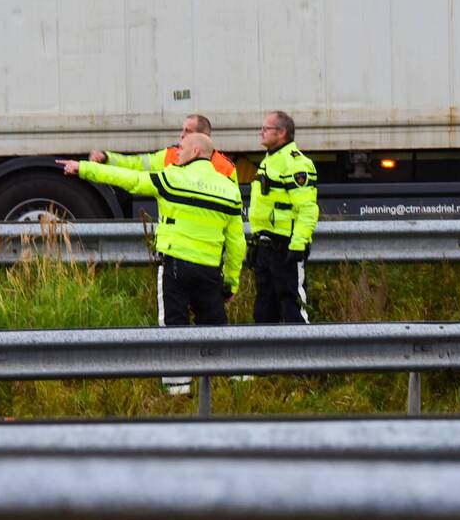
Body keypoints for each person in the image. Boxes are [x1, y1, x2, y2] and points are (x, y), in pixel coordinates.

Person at [57, 133, 245, 395]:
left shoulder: (171, 178)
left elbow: (130, 180)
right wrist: (231, 282)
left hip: (176, 267)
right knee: (216, 328)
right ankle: (234, 387)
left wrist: (84, 169)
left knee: (174, 327)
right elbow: (237, 243)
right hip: (210, 270)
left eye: (181, 148)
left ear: (195, 152)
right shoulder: (229, 189)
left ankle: (178, 391)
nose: (177, 152)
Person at [247, 110, 318, 323]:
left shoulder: (295, 163)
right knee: (264, 311)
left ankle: (301, 344)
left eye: (266, 128)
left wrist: (298, 245)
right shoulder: (271, 160)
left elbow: (307, 209)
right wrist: (255, 241)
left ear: (281, 133)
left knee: (293, 307)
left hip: (286, 247)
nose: (261, 132)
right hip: (265, 246)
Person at [88, 114, 237, 182]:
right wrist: (107, 158)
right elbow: (137, 164)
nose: (182, 135)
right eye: (182, 130)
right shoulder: (170, 156)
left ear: (203, 136)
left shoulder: (226, 168)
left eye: (188, 131)